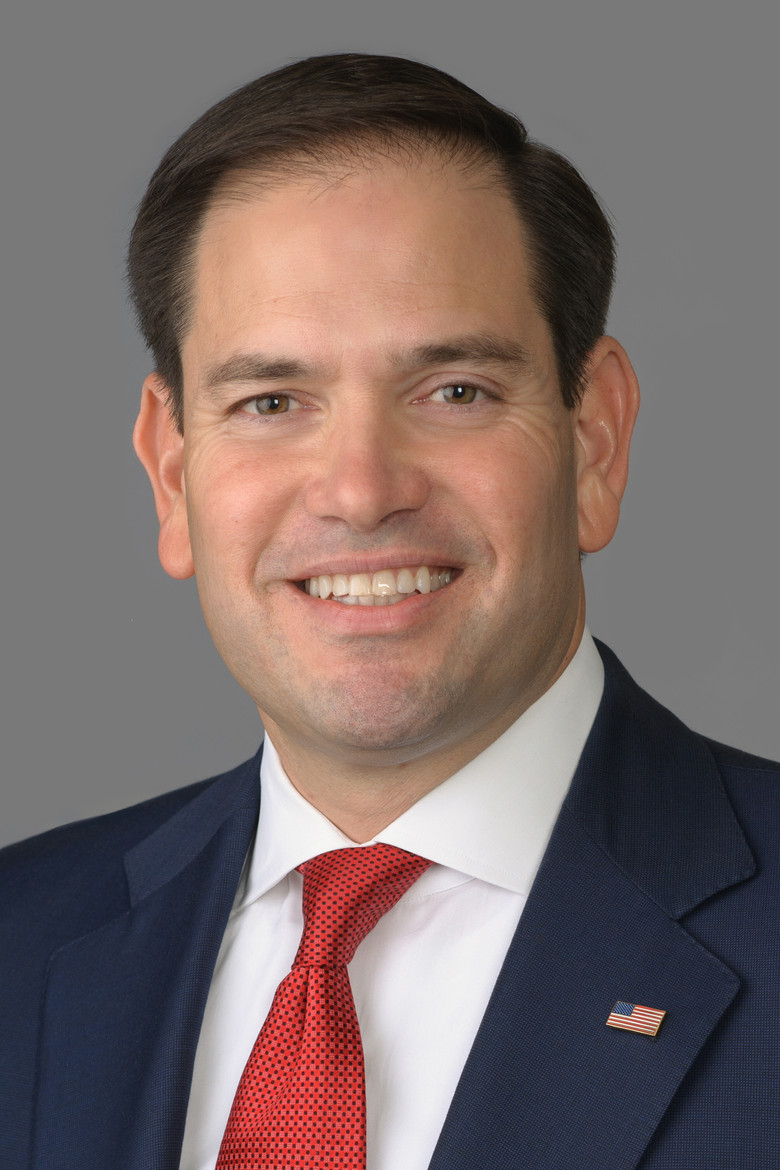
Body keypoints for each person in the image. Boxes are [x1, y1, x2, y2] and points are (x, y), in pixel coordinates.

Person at [1, 52, 778, 1170]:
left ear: (595, 441)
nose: (362, 491)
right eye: (272, 400)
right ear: (172, 473)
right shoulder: (22, 941)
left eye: (455, 391)